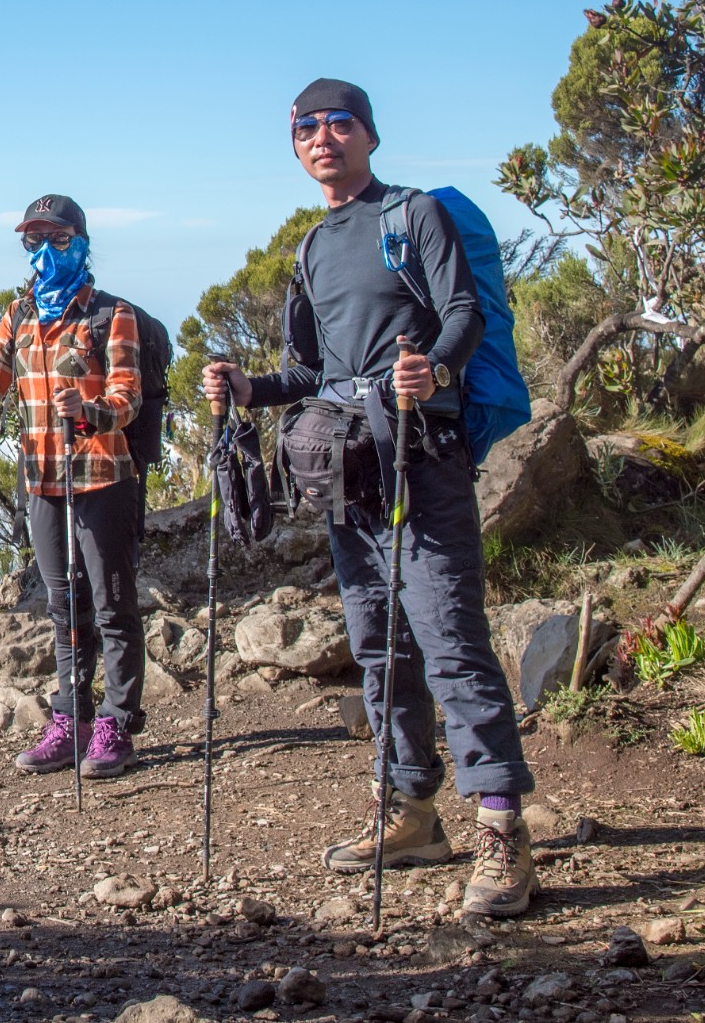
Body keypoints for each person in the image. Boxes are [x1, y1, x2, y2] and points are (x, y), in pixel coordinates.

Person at [203, 78, 537, 917]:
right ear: (295, 145)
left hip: (422, 456)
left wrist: (438, 367)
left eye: (338, 122)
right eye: (305, 127)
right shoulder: (315, 245)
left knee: (451, 639)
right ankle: (413, 812)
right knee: (379, 644)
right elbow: (315, 370)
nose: (323, 136)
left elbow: (462, 309)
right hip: (351, 471)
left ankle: (502, 829)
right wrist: (250, 387)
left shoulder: (412, 214)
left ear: (369, 136)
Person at [0, 195, 148, 780]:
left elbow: (129, 397)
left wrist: (89, 409)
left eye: (58, 239)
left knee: (113, 604)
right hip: (41, 479)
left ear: (81, 241)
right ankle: (72, 718)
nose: (45, 251)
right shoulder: (19, 315)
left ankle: (117, 723)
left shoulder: (111, 315)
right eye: (32, 240)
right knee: (64, 605)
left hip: (101, 476)